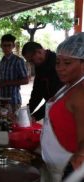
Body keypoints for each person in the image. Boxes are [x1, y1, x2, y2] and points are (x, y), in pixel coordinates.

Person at [40, 32, 84, 182]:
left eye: (67, 63)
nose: (60, 68)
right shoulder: (68, 86)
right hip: (55, 165)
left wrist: (80, 157)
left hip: (69, 169)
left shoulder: (81, 91)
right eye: (58, 62)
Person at [22, 41, 63, 121]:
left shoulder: (57, 64)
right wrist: (27, 111)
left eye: (32, 60)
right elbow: (37, 92)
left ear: (39, 52)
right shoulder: (40, 65)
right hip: (51, 109)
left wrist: (35, 116)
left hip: (62, 108)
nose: (31, 63)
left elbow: (57, 97)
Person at [0, 34, 29, 112]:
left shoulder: (18, 61)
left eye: (9, 45)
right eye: (4, 45)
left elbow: (25, 80)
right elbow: (4, 80)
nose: (6, 48)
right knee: (4, 122)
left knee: (13, 122)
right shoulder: (3, 60)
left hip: (14, 100)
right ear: (1, 46)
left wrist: (6, 83)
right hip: (3, 99)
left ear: (13, 46)